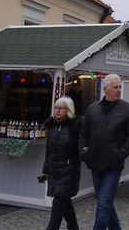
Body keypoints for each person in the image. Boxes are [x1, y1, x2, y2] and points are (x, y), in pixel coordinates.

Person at [80, 74, 129, 230]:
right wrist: (83, 153)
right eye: (115, 87)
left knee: (104, 204)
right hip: (95, 163)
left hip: (113, 166)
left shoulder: (127, 109)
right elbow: (83, 134)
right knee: (104, 202)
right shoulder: (93, 109)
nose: (119, 90)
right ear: (105, 89)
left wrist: (121, 154)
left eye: (120, 87)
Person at [41, 97, 81, 230]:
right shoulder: (51, 125)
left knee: (58, 204)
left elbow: (80, 149)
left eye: (61, 108)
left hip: (69, 171)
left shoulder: (75, 126)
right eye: (55, 108)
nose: (57, 111)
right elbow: (48, 150)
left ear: (68, 110)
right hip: (54, 170)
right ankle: (74, 227)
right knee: (65, 202)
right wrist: (45, 169)